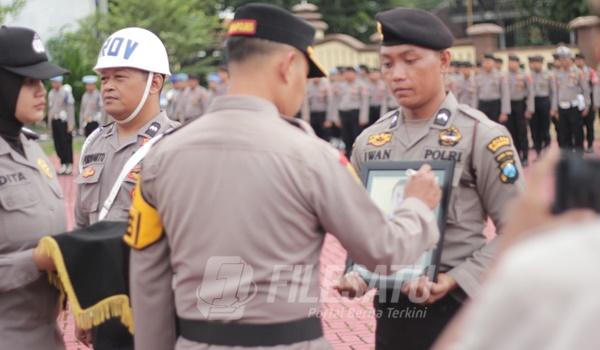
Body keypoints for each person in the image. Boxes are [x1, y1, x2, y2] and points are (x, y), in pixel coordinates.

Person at [125, 4, 443, 350]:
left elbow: (148, 283)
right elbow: (384, 252)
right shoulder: (311, 155)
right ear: (289, 66)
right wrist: (416, 206)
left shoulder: (161, 158)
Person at [336, 8, 524, 350]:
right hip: (394, 313)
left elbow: (520, 230)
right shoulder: (370, 142)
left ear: (444, 61)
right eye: (388, 64)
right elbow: (367, 227)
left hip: (460, 310)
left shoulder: (481, 135)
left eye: (410, 60)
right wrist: (358, 273)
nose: (397, 75)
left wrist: (455, 279)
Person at [73, 26, 179, 350]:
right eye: (104, 79)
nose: (108, 87)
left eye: (120, 77)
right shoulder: (93, 143)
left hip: (162, 308)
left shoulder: (178, 146)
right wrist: (84, 302)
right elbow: (82, 228)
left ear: (155, 82)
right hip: (107, 305)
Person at [0, 25, 69, 350]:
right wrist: (36, 261)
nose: (41, 90)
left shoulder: (29, 146)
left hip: (46, 336)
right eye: (27, 81)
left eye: (41, 80)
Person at [551, 46, 590, 153]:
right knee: (564, 134)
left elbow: (585, 90)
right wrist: (554, 109)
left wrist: (587, 105)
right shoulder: (556, 74)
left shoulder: (578, 72)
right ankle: (567, 160)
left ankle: (579, 157)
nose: (564, 61)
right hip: (562, 108)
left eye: (566, 58)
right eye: (561, 59)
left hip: (574, 107)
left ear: (570, 59)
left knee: (578, 133)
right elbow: (555, 93)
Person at [334, 66, 369, 156]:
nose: (348, 75)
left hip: (355, 113)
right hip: (343, 113)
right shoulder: (340, 86)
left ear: (354, 74)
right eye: (346, 73)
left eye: (350, 73)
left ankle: (358, 155)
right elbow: (336, 102)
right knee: (345, 136)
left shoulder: (361, 85)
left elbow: (364, 102)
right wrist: (336, 118)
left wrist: (363, 117)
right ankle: (348, 155)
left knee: (356, 136)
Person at [506, 54, 534, 165]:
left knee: (522, 132)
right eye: (509, 62)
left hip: (521, 105)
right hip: (509, 105)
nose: (511, 64)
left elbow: (530, 92)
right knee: (512, 132)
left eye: (513, 62)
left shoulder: (525, 75)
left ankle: (525, 156)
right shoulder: (505, 76)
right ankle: (516, 155)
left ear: (518, 63)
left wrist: (530, 109)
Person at [48, 75, 74, 175]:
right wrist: (50, 125)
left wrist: (71, 124)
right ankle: (63, 164)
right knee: (58, 144)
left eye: (55, 82)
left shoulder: (66, 92)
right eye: (52, 82)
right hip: (55, 121)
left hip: (64, 122)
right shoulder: (51, 93)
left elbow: (70, 108)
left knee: (66, 143)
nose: (53, 84)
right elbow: (50, 109)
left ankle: (69, 165)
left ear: (60, 82)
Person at [474, 53, 511, 123]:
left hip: (495, 106)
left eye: (489, 62)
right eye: (485, 62)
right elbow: (475, 95)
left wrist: (504, 112)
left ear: (493, 63)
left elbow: (505, 95)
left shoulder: (500, 76)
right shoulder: (478, 77)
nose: (487, 64)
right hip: (482, 106)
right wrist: (474, 111)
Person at [528, 55, 553, 156]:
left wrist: (552, 107)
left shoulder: (548, 75)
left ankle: (547, 150)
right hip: (532, 102)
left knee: (545, 127)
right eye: (533, 63)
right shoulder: (528, 75)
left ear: (541, 64)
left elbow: (552, 92)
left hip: (544, 101)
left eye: (537, 63)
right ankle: (538, 151)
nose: (535, 65)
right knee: (534, 128)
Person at [574, 53, 598, 153]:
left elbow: (596, 87)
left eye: (580, 60)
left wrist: (595, 103)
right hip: (576, 100)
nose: (578, 62)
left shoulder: (591, 72)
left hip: (589, 99)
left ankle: (590, 144)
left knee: (589, 124)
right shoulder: (573, 72)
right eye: (577, 60)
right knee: (577, 125)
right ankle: (579, 145)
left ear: (584, 61)